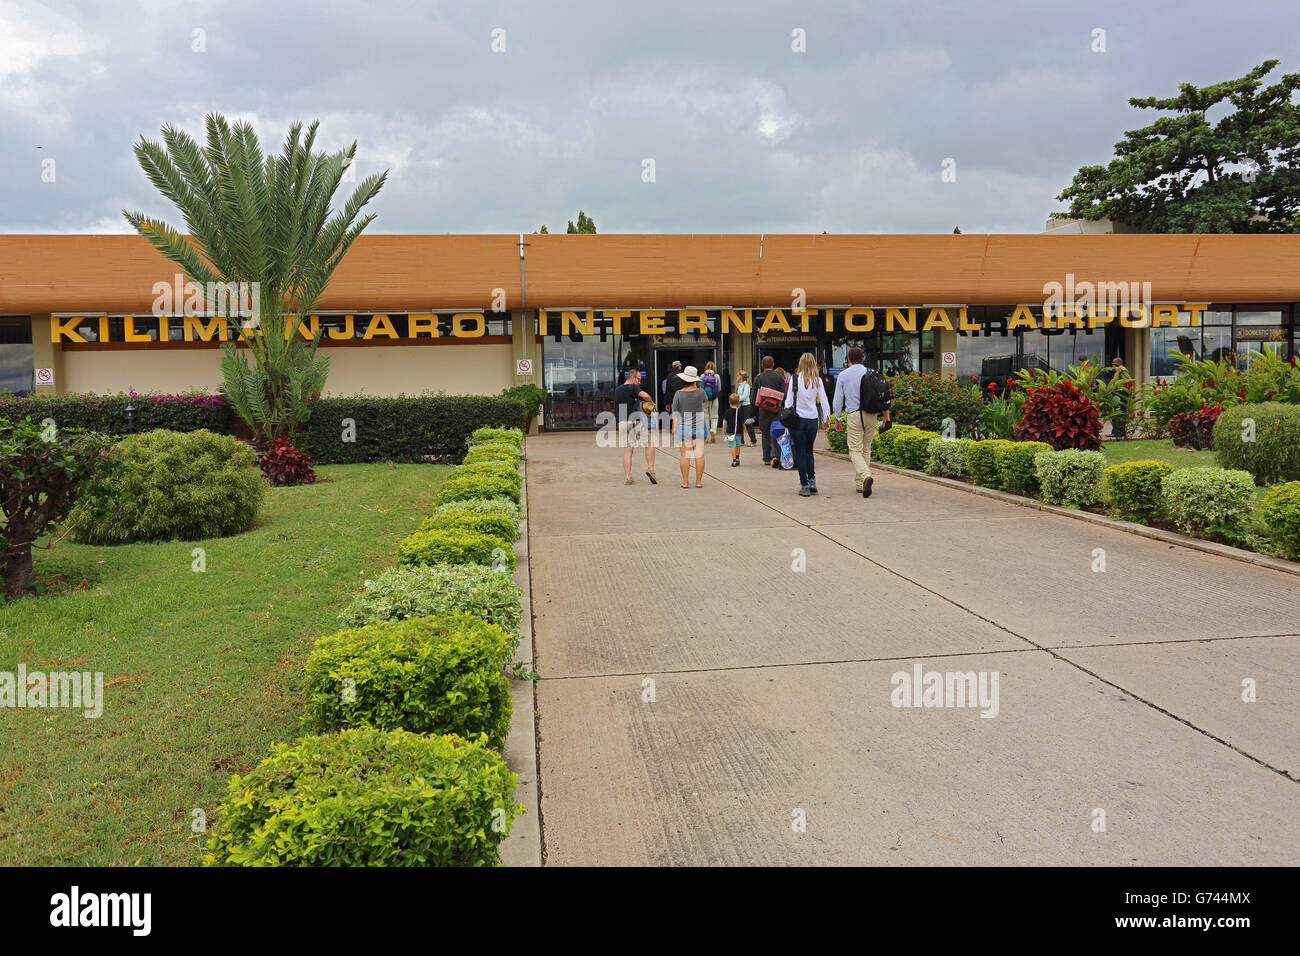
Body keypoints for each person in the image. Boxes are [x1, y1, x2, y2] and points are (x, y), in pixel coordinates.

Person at [831, 346, 890, 498]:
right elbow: (882, 395)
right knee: (866, 448)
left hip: (854, 414)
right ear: (863, 359)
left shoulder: (844, 375)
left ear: (848, 359)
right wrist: (886, 415)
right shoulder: (871, 373)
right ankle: (859, 485)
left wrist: (837, 417)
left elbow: (838, 399)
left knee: (855, 450)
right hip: (872, 414)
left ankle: (865, 476)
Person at [782, 352, 830, 497]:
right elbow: (824, 400)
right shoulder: (818, 380)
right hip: (812, 419)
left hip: (798, 419)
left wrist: (785, 418)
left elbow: (789, 402)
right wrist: (827, 419)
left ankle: (804, 486)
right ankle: (812, 481)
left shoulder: (795, 379)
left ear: (801, 363)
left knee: (801, 452)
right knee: (809, 451)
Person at [613, 367, 657, 485]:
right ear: (632, 378)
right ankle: (651, 470)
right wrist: (652, 404)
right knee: (649, 442)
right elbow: (646, 396)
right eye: (638, 379)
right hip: (634, 421)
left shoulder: (617, 389)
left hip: (622, 422)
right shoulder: (633, 387)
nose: (640, 382)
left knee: (628, 449)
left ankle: (628, 477)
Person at [671, 365, 708, 487]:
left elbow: (675, 412)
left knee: (684, 455)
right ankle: (698, 482)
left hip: (683, 425)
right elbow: (705, 400)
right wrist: (698, 385)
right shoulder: (700, 392)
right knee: (699, 455)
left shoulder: (678, 394)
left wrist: (674, 428)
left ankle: (685, 482)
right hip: (699, 424)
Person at [752, 356, 786, 468]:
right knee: (777, 433)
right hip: (777, 409)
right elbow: (784, 394)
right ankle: (776, 455)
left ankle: (766, 458)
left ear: (762, 365)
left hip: (764, 410)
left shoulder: (759, 377)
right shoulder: (779, 377)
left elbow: (753, 395)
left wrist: (753, 412)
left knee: (765, 434)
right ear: (773, 365)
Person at [700, 361, 722, 443]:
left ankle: (707, 436)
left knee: (705, 417)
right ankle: (713, 430)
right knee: (714, 417)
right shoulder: (717, 376)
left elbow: (699, 388)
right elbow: (719, 389)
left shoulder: (702, 376)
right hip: (714, 399)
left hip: (704, 400)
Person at [735, 371, 756, 445]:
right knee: (739, 423)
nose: (737, 377)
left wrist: (735, 399)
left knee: (748, 423)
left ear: (741, 377)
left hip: (746, 406)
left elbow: (745, 396)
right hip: (740, 406)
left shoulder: (746, 385)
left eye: (738, 375)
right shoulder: (739, 386)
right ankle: (741, 441)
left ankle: (753, 440)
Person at [722, 393, 743, 467]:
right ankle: (737, 458)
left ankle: (734, 461)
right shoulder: (740, 411)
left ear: (729, 402)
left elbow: (725, 422)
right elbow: (742, 421)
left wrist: (724, 431)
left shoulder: (727, 412)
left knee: (732, 446)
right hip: (739, 431)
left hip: (730, 432)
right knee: (738, 444)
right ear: (738, 402)